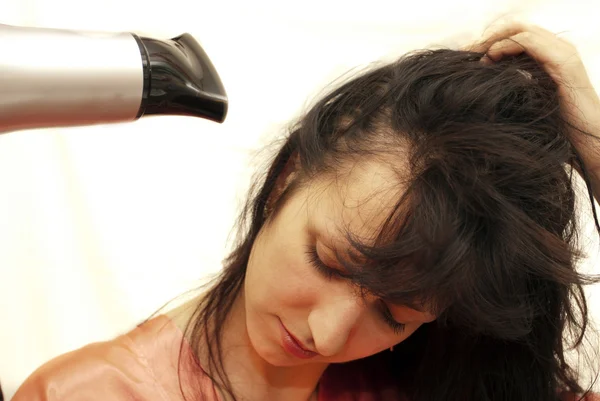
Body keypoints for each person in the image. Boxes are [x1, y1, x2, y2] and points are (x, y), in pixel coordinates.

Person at [11, 22, 600, 401]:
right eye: (329, 262)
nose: (327, 333)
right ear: (287, 175)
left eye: (395, 317)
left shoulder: (427, 385)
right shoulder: (87, 393)